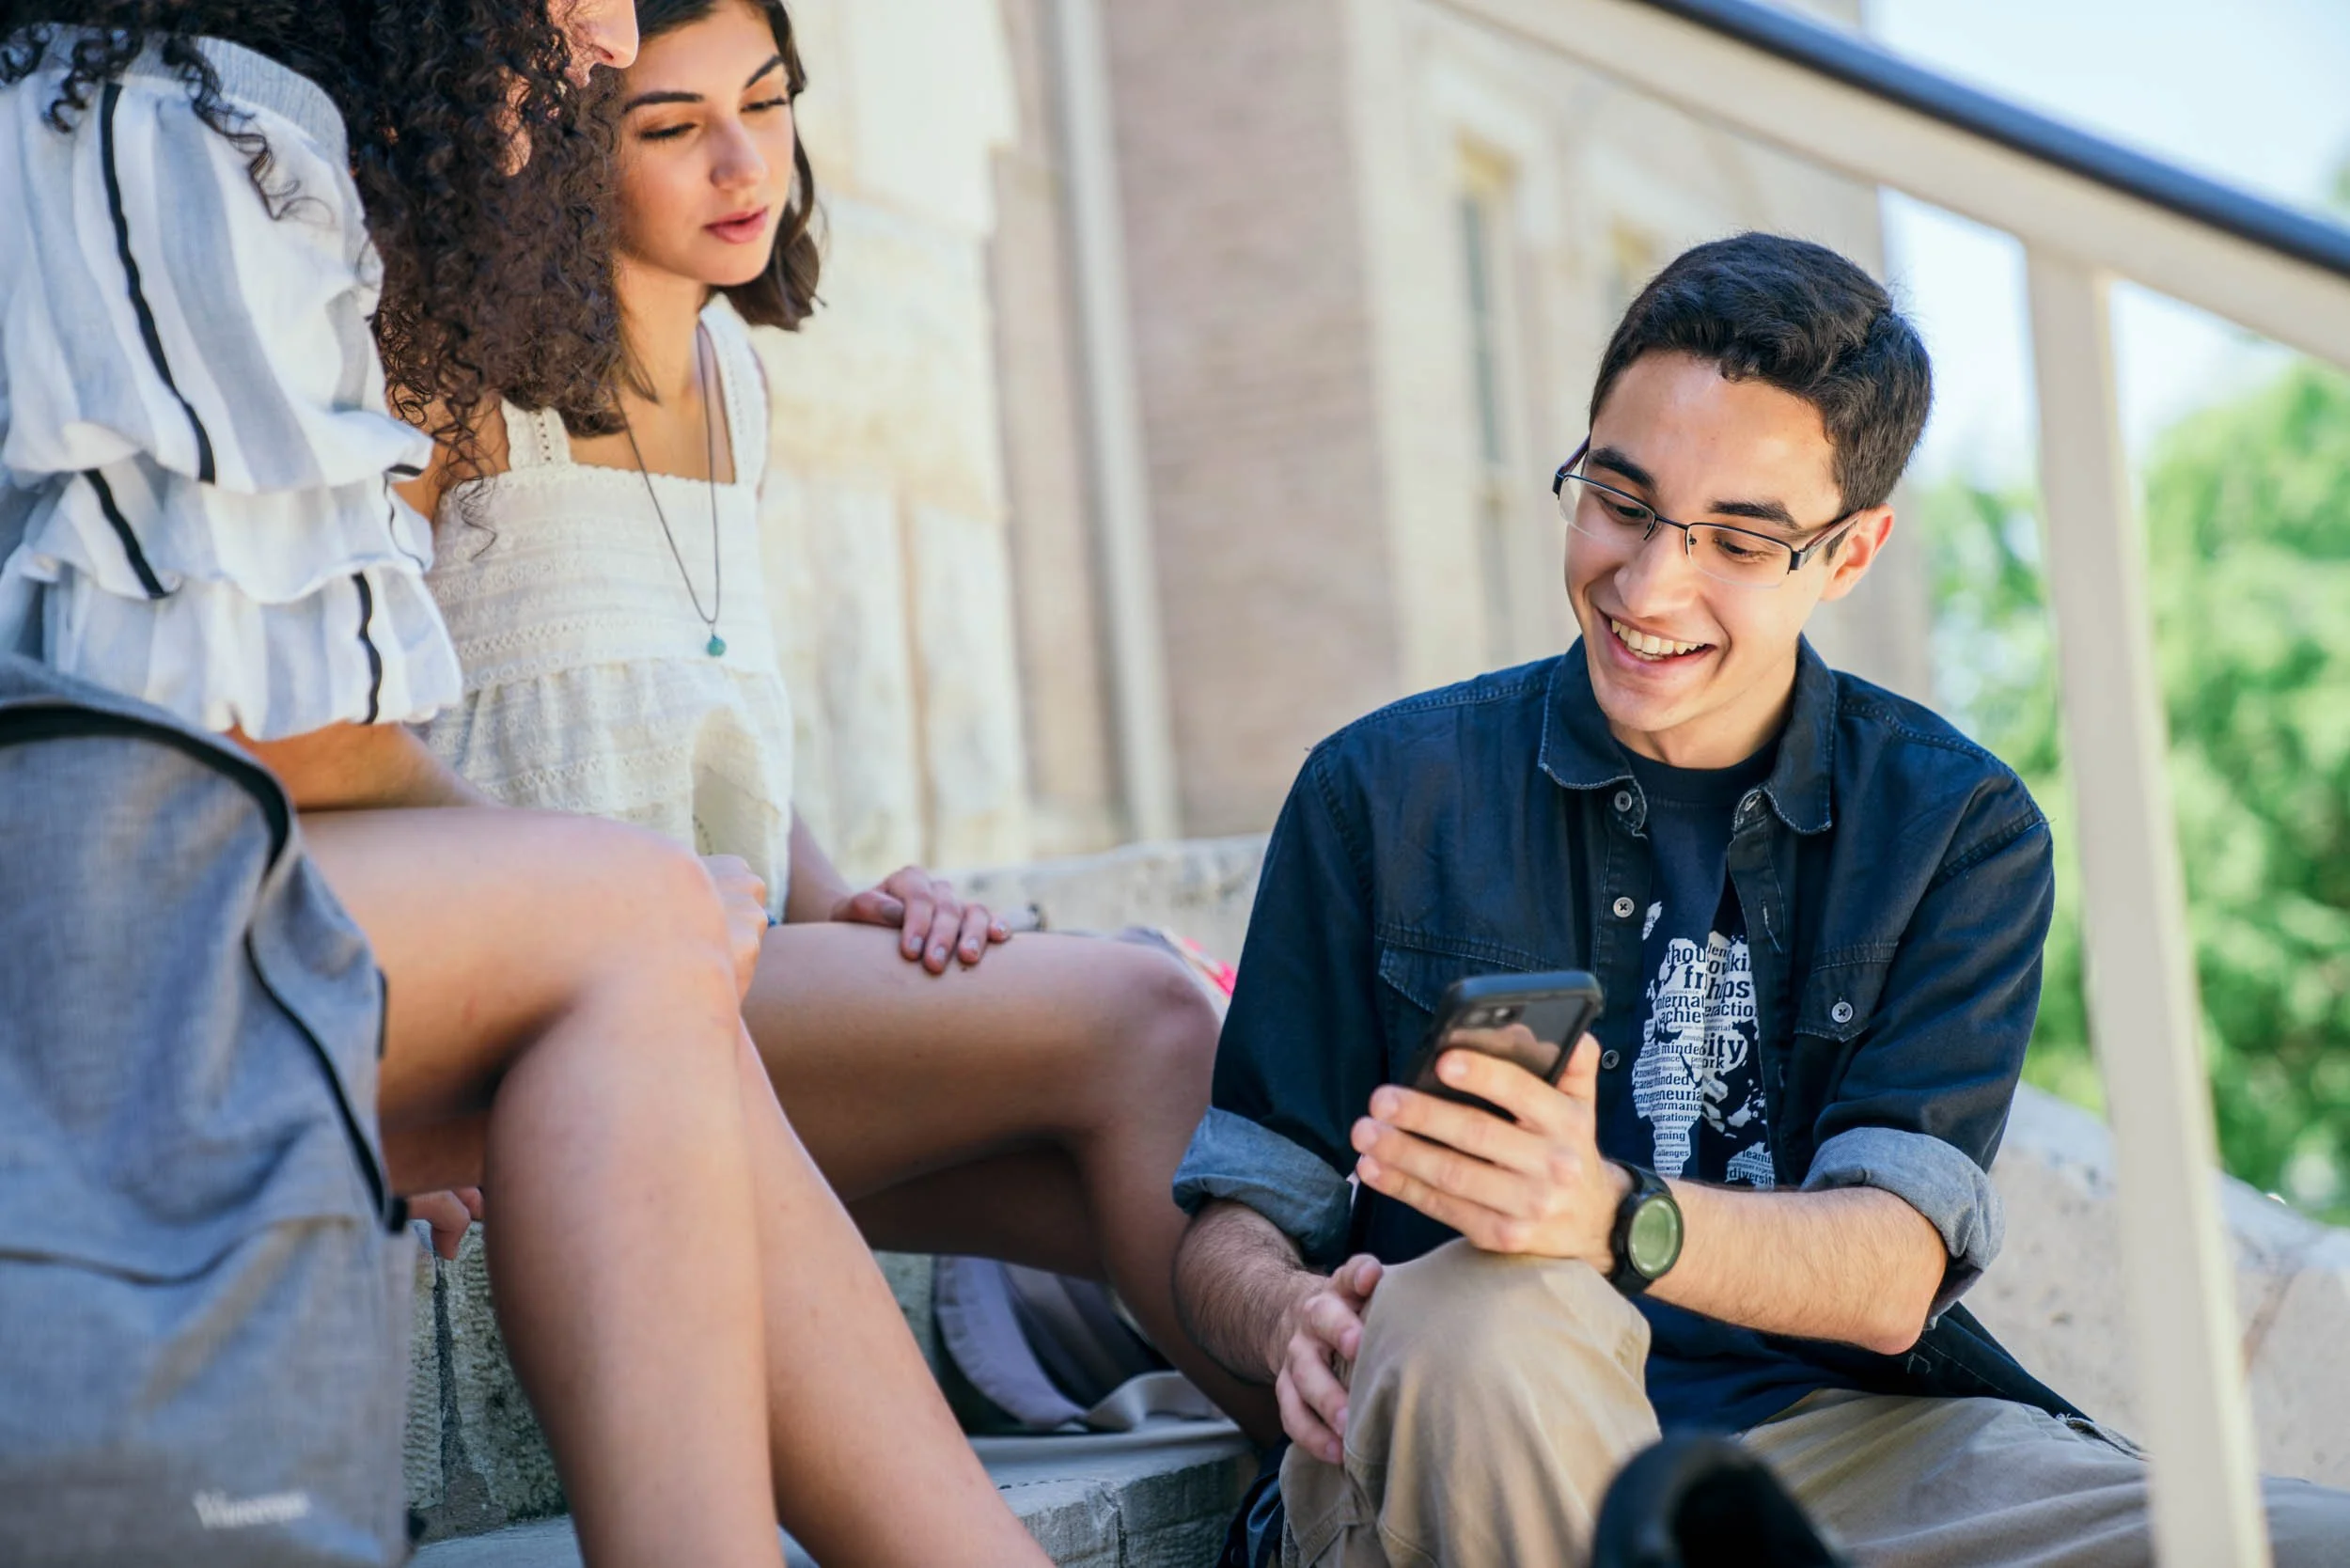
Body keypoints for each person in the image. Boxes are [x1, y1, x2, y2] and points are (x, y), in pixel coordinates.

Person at [0, 7, 1048, 1564]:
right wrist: (570, 899)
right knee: (639, 928)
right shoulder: (170, 132)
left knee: (680, 944)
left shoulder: (196, 130)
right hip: (81, 891)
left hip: (129, 867)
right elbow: (252, 722)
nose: (607, 29)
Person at [1166, 232, 2350, 1566]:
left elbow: (1892, 1273)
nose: (1650, 583)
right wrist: (1280, 1313)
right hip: (1468, 1430)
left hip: (1839, 1441)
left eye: (1737, 539)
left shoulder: (1957, 826)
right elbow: (1236, 1222)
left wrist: (1614, 1216)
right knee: (1476, 1317)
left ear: (1850, 557)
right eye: (1619, 500)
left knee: (2293, 1540)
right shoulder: (1380, 792)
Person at [406, 0, 1275, 1438]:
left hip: (726, 984)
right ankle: (1394, 1474)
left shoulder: (736, 382)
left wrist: (844, 898)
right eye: (672, 128)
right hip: (560, 1007)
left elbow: (692, 714)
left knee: (1126, 1162)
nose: (744, 163)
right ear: (561, 152)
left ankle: (1355, 1469)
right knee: (1148, 1012)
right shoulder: (460, 401)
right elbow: (333, 717)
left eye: (768, 99)